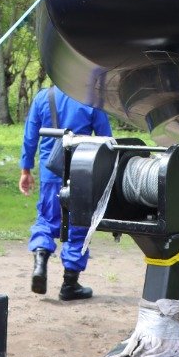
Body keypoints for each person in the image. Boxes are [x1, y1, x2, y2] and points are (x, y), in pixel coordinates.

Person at [19, 85, 113, 300]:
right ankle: (70, 284)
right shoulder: (92, 100)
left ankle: (40, 262)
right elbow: (106, 139)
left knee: (46, 218)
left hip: (50, 172)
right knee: (79, 223)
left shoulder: (43, 97)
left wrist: (26, 170)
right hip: (82, 170)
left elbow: (30, 136)